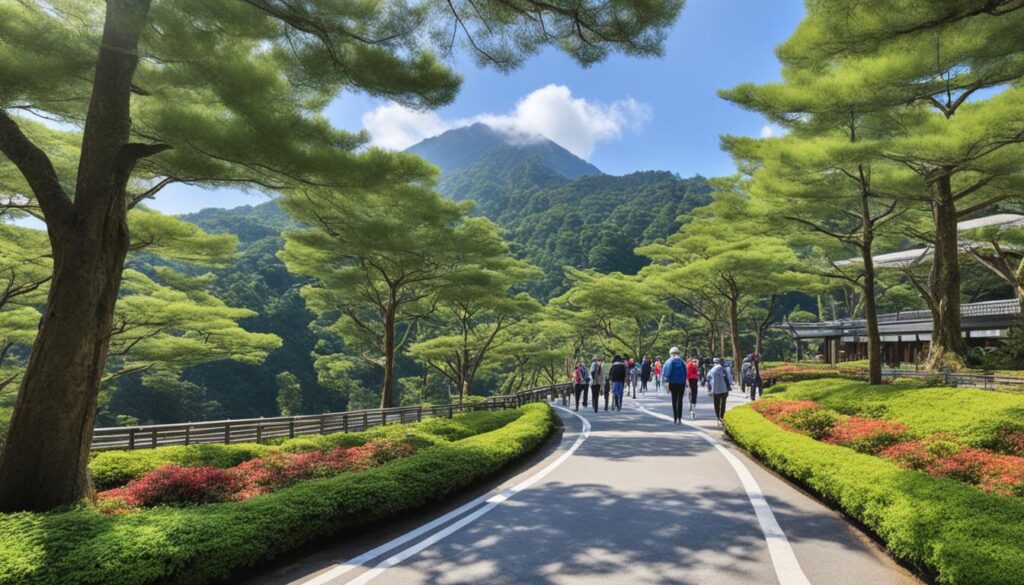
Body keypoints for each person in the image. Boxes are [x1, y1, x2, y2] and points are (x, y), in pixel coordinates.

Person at [662, 347, 687, 424]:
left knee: (674, 400)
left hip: (673, 383)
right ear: (678, 353)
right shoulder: (682, 361)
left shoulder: (669, 361)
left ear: (670, 353)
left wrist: (665, 385)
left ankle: (675, 418)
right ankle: (680, 418)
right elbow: (686, 372)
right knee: (680, 400)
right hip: (682, 383)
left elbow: (666, 374)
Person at [707, 357, 732, 426]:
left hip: (715, 390)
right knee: (723, 404)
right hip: (724, 390)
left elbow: (708, 379)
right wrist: (729, 387)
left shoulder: (711, 370)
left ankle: (718, 417)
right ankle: (722, 417)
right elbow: (728, 379)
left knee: (716, 404)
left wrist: (709, 390)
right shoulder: (724, 369)